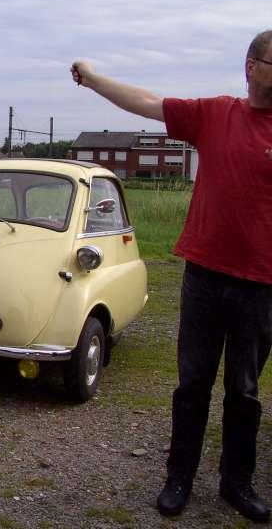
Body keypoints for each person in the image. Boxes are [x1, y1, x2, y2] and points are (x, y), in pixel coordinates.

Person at [70, 29, 272, 523]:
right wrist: (93, 79)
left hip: (262, 284)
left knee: (244, 390)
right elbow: (147, 103)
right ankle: (178, 478)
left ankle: (237, 483)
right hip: (205, 276)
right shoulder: (216, 114)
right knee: (193, 383)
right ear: (251, 66)